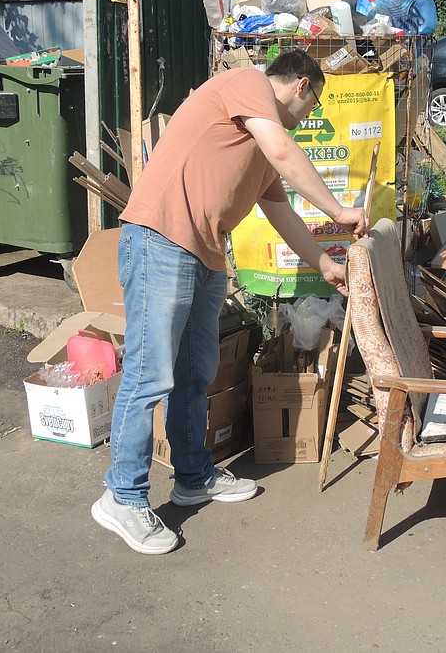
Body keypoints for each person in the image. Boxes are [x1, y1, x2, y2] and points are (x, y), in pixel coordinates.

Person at [91, 49, 370, 554]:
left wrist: (323, 265)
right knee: (149, 372)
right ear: (302, 85)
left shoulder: (258, 147)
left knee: (196, 372)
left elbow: (281, 213)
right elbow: (285, 150)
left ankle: (192, 475)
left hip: (204, 252)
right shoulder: (247, 83)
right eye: (313, 105)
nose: (310, 116)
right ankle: (123, 495)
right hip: (159, 239)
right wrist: (339, 210)